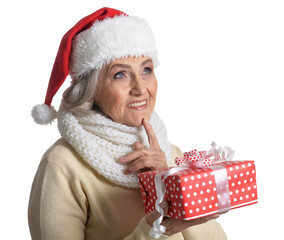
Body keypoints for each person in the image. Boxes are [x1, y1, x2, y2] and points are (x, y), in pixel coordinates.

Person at [28, 7, 227, 240]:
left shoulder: (171, 156)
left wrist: (171, 182)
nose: (141, 89)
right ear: (91, 91)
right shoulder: (62, 165)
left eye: (146, 70)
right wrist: (152, 228)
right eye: (120, 75)